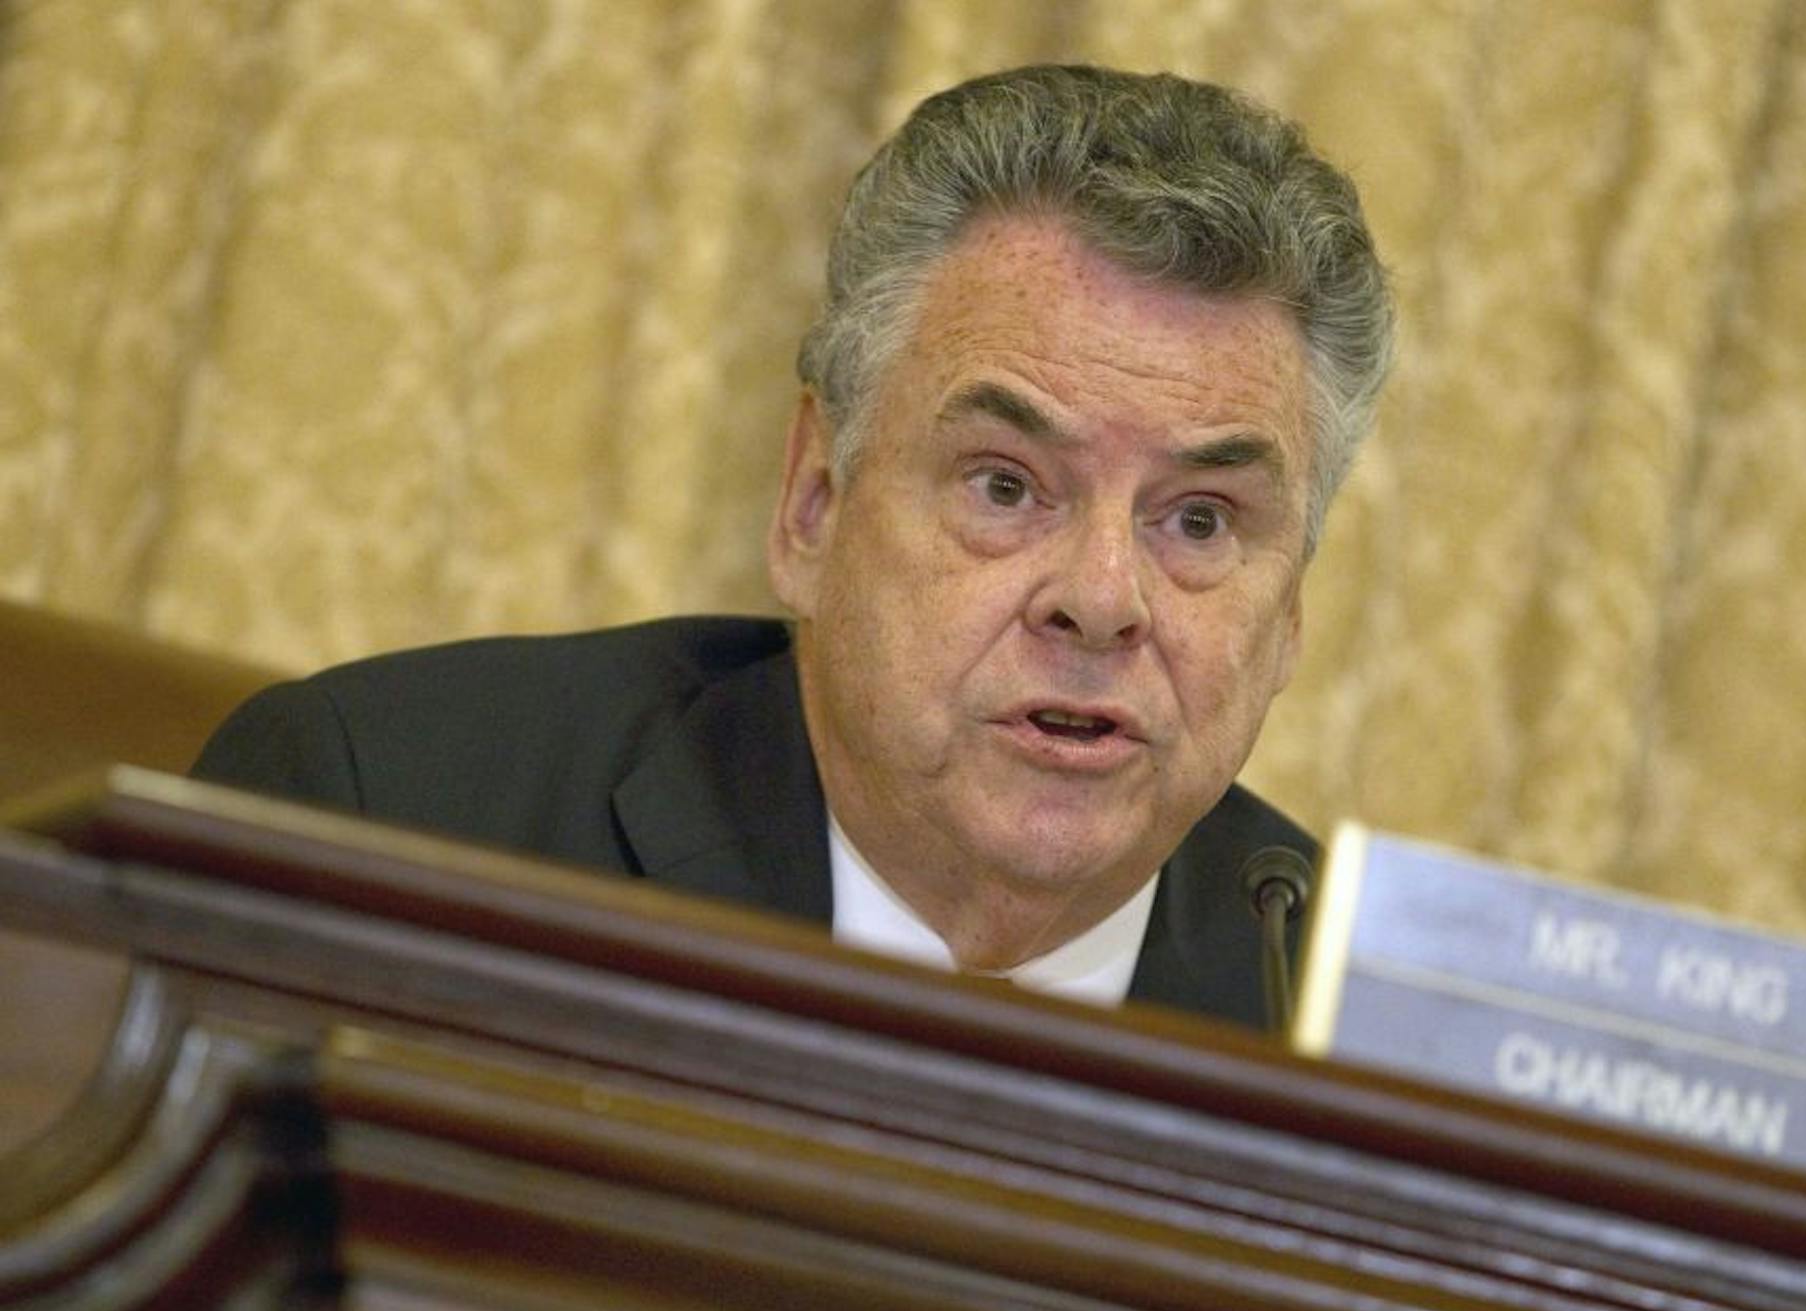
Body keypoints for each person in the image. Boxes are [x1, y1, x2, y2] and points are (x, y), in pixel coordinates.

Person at [193, 64, 1394, 1030]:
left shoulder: (1352, 1028)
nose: (1100, 598)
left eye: (1199, 519)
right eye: (1006, 484)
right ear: (813, 503)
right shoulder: (388, 829)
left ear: (1289, 614)